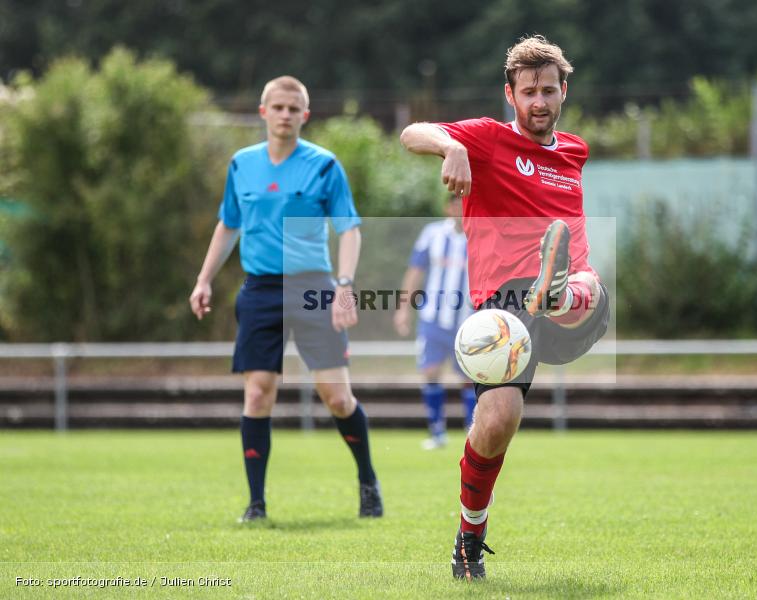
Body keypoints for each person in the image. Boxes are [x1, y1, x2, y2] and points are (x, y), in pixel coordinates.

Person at [400, 35, 610, 580]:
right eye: (528, 92)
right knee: (497, 421)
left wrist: (564, 288)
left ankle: (559, 286)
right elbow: (409, 132)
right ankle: (469, 537)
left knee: (588, 293)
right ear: (510, 95)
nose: (539, 101)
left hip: (571, 293)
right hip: (503, 304)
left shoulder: (574, 151)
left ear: (563, 91)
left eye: (548, 90)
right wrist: (452, 148)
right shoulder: (488, 139)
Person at [189, 75, 383, 523]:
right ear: (263, 113)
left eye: (293, 109)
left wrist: (345, 285)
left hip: (314, 287)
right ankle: (256, 504)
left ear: (305, 116)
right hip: (259, 291)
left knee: (336, 397)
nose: (285, 115)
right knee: (257, 394)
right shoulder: (242, 164)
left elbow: (349, 228)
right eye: (277, 107)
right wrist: (204, 280)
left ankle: (367, 482)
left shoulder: (324, 164)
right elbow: (228, 225)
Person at [393, 194, 476, 450]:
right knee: (430, 371)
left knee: (470, 377)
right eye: (455, 205)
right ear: (448, 207)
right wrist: (403, 308)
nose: (459, 210)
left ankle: (472, 432)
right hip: (433, 317)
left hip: (468, 318)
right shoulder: (432, 233)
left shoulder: (479, 235)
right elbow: (415, 271)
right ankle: (437, 431)